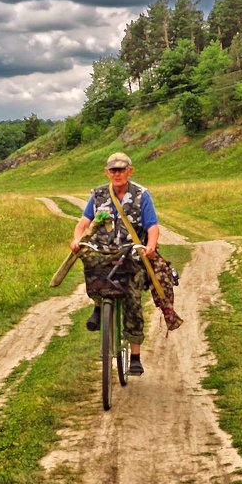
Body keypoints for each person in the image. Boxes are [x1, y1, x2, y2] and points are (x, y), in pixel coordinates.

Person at [70, 152, 158, 375]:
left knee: (132, 298)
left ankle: (135, 356)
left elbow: (152, 226)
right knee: (90, 265)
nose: (117, 174)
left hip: (131, 254)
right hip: (104, 252)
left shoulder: (141, 195)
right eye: (113, 170)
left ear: (130, 171)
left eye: (121, 170)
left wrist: (151, 246)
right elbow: (83, 223)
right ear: (106, 172)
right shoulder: (98, 195)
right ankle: (99, 305)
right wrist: (77, 240)